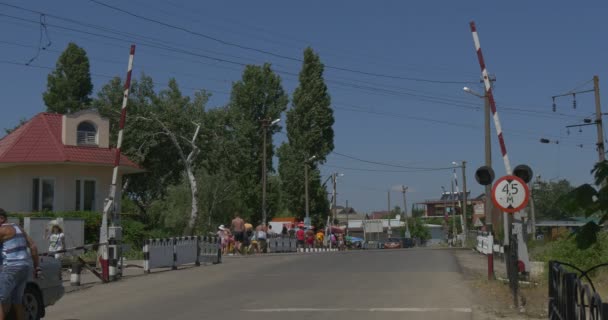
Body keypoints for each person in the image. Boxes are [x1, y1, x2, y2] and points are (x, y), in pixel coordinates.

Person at [0, 208, 40, 320]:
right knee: (17, 301)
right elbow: (33, 247)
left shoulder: (2, 230)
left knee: (0, 301)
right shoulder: (19, 228)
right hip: (24, 267)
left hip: (10, 267)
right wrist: (37, 267)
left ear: (1, 218)